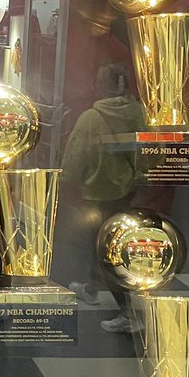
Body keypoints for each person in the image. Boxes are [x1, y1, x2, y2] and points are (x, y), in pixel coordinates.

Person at [57, 62, 145, 332]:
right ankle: (92, 287)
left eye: (98, 79)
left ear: (104, 85)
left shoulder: (90, 119)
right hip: (127, 192)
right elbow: (151, 155)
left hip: (96, 196)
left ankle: (129, 314)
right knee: (110, 245)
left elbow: (73, 161)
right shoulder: (139, 113)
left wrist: (60, 182)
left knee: (106, 251)